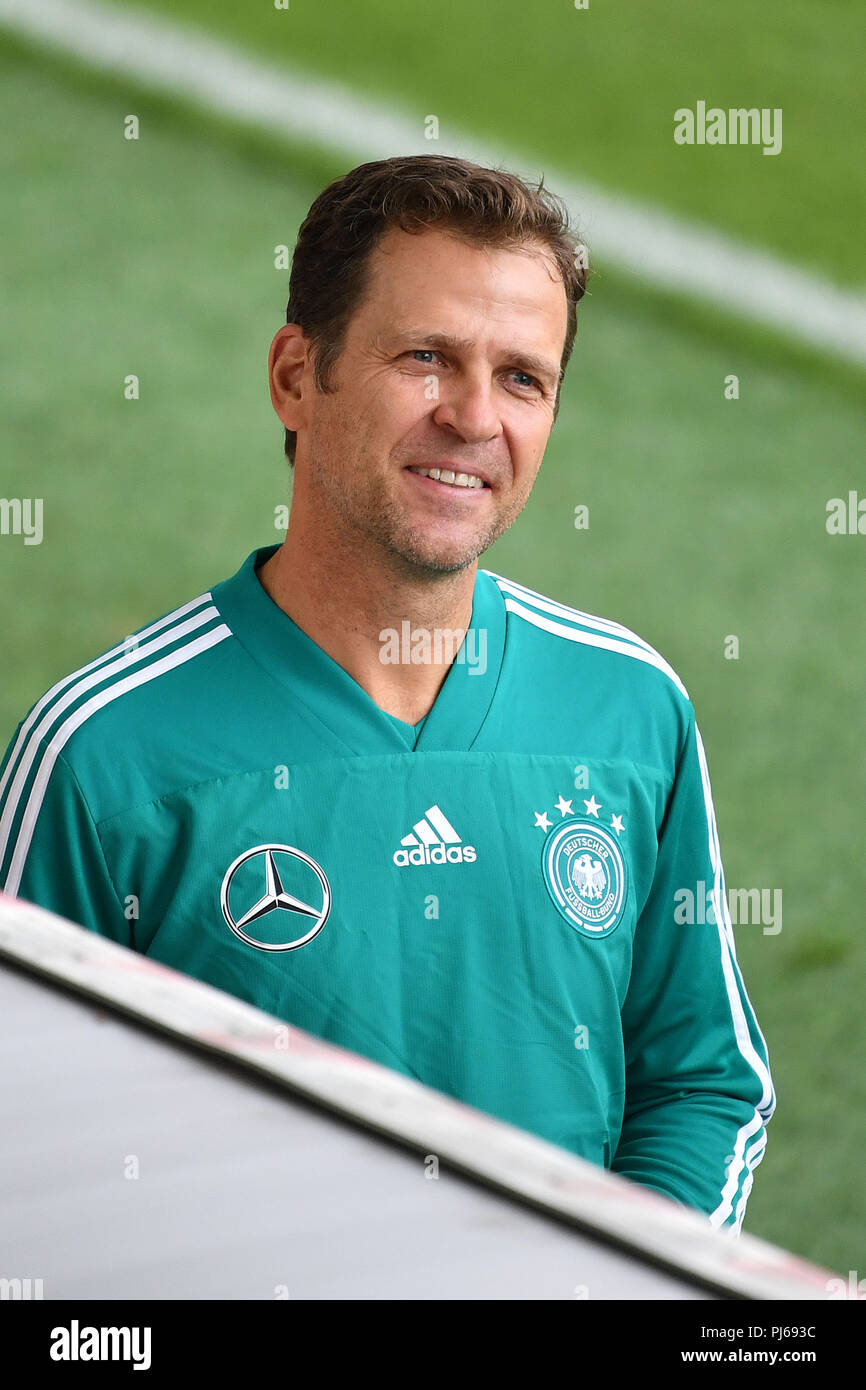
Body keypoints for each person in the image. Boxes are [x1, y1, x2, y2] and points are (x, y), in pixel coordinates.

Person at [0, 155, 773, 1232]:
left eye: (521, 379)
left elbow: (699, 1083)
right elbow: (25, 1153)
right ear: (293, 375)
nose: (472, 417)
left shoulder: (628, 708)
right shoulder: (104, 755)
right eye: (425, 358)